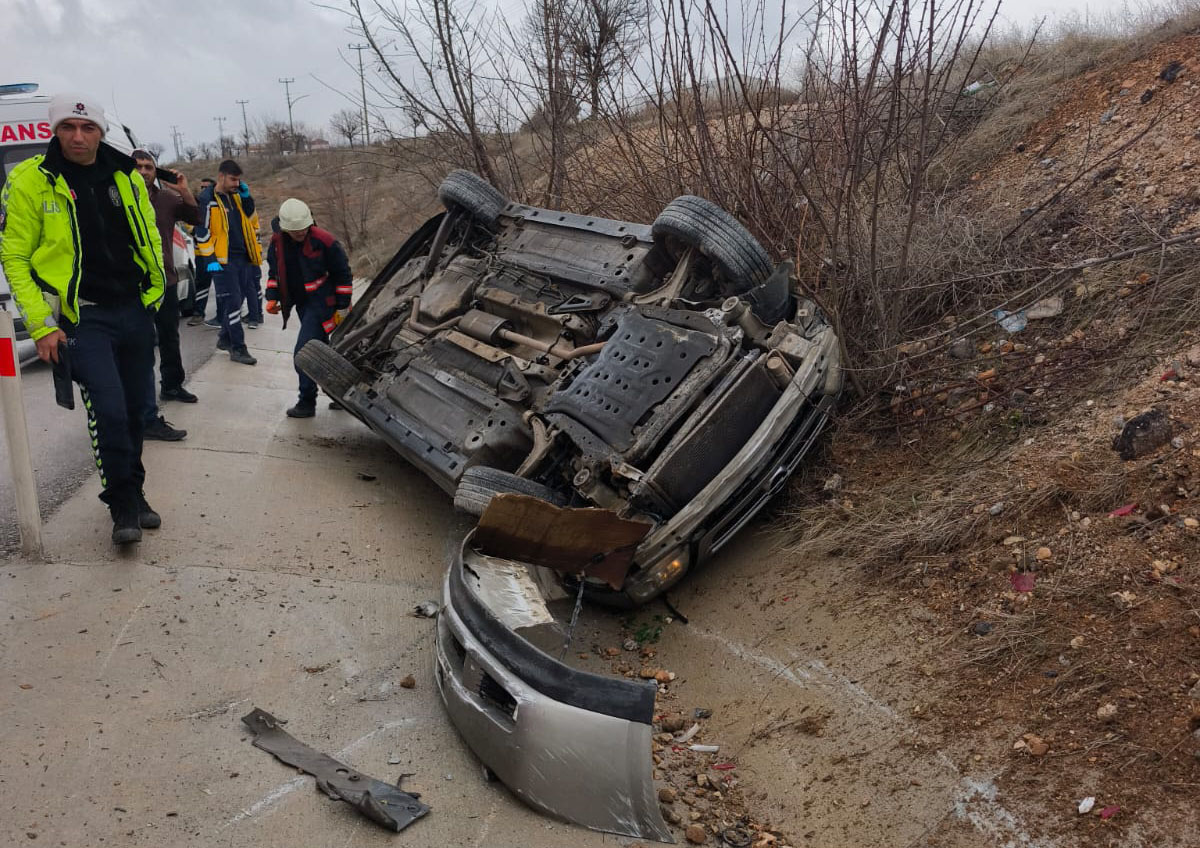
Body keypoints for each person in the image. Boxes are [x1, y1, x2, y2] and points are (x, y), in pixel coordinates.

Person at [0, 93, 166, 544]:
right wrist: (41, 324)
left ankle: (136, 491)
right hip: (82, 318)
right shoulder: (30, 180)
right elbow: (13, 255)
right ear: (54, 132)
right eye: (68, 129)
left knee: (135, 412)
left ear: (100, 132)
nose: (78, 136)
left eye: (87, 128)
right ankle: (122, 505)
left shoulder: (126, 174)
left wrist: (154, 293)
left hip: (133, 307)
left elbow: (147, 232)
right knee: (109, 411)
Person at [132, 150, 201, 442]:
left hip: (166, 281)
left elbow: (196, 218)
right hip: (133, 285)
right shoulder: (119, 197)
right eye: (139, 166)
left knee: (170, 336)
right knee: (142, 344)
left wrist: (183, 188)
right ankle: (142, 408)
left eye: (149, 167)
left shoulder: (166, 199)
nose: (145, 171)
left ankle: (172, 385)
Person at [265, 198, 352, 418]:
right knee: (323, 350)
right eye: (296, 232)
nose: (301, 234)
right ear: (285, 228)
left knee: (304, 353)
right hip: (302, 304)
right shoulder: (277, 243)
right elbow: (274, 273)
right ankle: (339, 395)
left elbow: (343, 275)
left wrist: (342, 306)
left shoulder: (325, 241)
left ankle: (306, 402)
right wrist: (272, 297)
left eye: (304, 229)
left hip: (322, 303)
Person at [193, 160, 259, 365]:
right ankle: (238, 348)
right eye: (233, 179)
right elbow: (201, 232)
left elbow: (250, 217)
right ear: (221, 176)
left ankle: (224, 338)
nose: (236, 184)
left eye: (238, 180)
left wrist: (247, 198)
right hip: (223, 260)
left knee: (238, 301)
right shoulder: (207, 199)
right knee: (232, 303)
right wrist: (210, 259)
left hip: (242, 257)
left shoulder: (237, 196)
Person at [184, 176, 215, 325]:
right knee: (202, 283)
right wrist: (197, 230)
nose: (203, 190)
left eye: (206, 187)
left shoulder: (218, 205)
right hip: (201, 254)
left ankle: (224, 315)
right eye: (201, 187)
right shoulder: (195, 205)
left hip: (217, 255)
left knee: (222, 284)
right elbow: (189, 225)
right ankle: (198, 313)